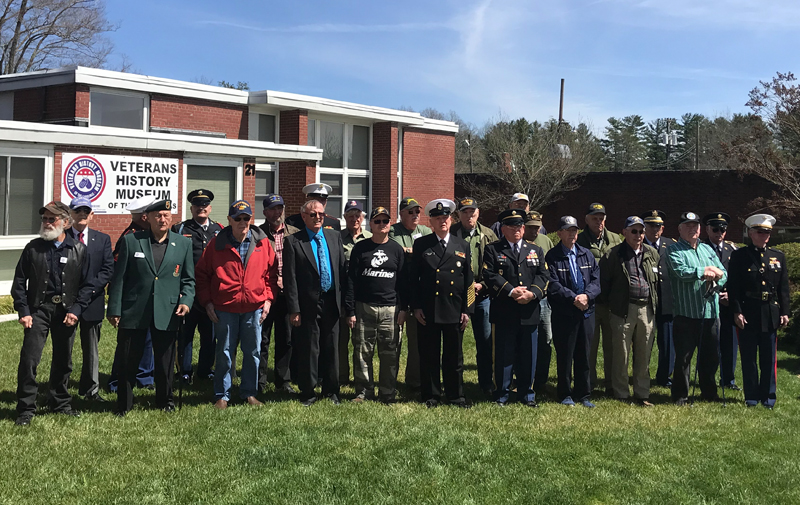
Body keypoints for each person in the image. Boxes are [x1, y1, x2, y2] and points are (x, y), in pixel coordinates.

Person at [107, 199, 195, 416]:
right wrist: (114, 309)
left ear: (171, 217)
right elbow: (119, 279)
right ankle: (124, 404)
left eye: (166, 214)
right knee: (129, 360)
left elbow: (188, 280)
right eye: (158, 215)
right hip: (134, 311)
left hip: (167, 311)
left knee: (165, 362)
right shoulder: (132, 241)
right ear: (149, 218)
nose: (162, 219)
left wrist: (186, 301)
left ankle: (165, 401)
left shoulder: (182, 244)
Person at [11, 201, 93, 426]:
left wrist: (76, 310)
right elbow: (19, 282)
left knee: (63, 360)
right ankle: (26, 408)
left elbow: (88, 285)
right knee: (29, 359)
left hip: (66, 311)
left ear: (66, 223)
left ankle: (60, 402)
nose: (47, 223)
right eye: (44, 219)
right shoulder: (33, 248)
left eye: (52, 219)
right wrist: (24, 311)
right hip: (38, 310)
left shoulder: (79, 249)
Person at [195, 200, 277, 409]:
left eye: (246, 218)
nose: (242, 222)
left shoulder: (262, 242)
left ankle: (249, 392)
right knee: (224, 351)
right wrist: (207, 302)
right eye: (238, 218)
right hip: (225, 307)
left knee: (253, 352)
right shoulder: (216, 244)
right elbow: (202, 275)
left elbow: (271, 274)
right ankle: (222, 394)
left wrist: (268, 299)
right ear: (229, 220)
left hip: (254, 307)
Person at [410, 199, 474, 408]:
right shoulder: (422, 245)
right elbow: (414, 279)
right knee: (429, 355)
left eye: (445, 217)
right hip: (429, 309)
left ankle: (456, 395)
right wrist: (416, 307)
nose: (442, 221)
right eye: (437, 218)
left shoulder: (461, 245)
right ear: (431, 222)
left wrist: (468, 310)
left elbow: (469, 281)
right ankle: (431, 395)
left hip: (454, 309)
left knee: (454, 357)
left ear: (450, 219)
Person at [283, 199, 346, 406]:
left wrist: (345, 303)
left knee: (331, 347)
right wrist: (294, 309)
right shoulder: (293, 242)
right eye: (313, 214)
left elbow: (341, 271)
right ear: (304, 217)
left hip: (331, 301)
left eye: (321, 214)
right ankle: (308, 392)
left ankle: (331, 390)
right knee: (309, 348)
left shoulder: (334, 237)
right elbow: (290, 279)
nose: (318, 217)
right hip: (307, 304)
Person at [483, 209, 548, 407]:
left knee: (529, 355)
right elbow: (490, 275)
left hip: (529, 311)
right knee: (504, 354)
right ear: (503, 229)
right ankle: (501, 394)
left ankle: (527, 394)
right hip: (505, 310)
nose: (518, 229)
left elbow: (544, 276)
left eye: (520, 226)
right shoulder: (493, 249)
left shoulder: (534, 250)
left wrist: (532, 294)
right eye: (512, 226)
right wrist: (511, 291)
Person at [345, 206, 406, 403]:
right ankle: (364, 392)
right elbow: (351, 281)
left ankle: (387, 392)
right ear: (370, 224)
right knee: (362, 352)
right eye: (377, 221)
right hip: (365, 307)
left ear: (390, 224)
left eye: (385, 221)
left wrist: (403, 309)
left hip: (391, 309)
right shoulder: (361, 248)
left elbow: (404, 282)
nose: (382, 224)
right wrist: (351, 310)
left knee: (390, 353)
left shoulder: (396, 249)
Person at [728, 214, 789, 409]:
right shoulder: (739, 256)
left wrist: (784, 312)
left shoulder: (778, 256)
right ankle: (751, 397)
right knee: (749, 358)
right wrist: (737, 312)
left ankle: (768, 397)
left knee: (768, 359)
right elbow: (734, 288)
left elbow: (783, 289)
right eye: (760, 232)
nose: (764, 236)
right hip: (748, 311)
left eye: (767, 233)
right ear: (751, 233)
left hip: (770, 312)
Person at [665, 212, 726, 405]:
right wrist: (704, 272)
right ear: (680, 229)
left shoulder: (707, 249)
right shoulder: (674, 250)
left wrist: (717, 274)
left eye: (696, 226)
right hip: (686, 314)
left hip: (710, 313)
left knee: (711, 357)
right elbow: (681, 272)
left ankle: (709, 393)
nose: (693, 229)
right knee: (684, 359)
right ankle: (680, 396)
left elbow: (723, 274)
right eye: (688, 226)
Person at [600, 217, 659, 406]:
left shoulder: (652, 253)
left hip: (646, 309)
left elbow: (656, 281)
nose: (638, 235)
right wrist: (613, 305)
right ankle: (622, 393)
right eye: (634, 231)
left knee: (644, 353)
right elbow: (604, 285)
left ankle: (642, 393)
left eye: (641, 231)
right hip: (622, 310)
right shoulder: (613, 255)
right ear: (624, 232)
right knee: (621, 354)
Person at [545, 216, 601, 408]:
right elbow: (552, 285)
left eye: (574, 230)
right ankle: (565, 393)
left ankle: (584, 394)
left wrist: (586, 296)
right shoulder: (552, 257)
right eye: (568, 230)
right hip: (565, 314)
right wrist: (573, 298)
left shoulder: (586, 254)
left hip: (586, 311)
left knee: (584, 354)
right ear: (559, 233)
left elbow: (596, 281)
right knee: (565, 354)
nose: (572, 234)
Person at [172, 189, 225, 384]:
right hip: (186, 290)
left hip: (211, 292)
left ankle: (205, 369)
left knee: (209, 334)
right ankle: (184, 371)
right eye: (197, 205)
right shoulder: (180, 228)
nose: (201, 208)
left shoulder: (219, 229)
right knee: (185, 334)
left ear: (210, 208)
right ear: (191, 208)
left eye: (204, 205)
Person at [449, 197, 498, 398]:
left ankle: (486, 384)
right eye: (465, 212)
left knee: (485, 341)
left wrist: (482, 284)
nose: (469, 215)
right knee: (454, 341)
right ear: (458, 215)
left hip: (482, 294)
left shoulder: (489, 235)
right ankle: (454, 383)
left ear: (478, 213)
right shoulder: (451, 233)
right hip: (457, 296)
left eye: (473, 212)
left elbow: (496, 265)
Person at [108, 196, 157, 393]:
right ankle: (117, 381)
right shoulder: (131, 237)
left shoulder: (151, 235)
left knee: (148, 340)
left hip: (150, 298)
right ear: (145, 217)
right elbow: (118, 273)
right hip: (133, 299)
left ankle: (144, 377)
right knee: (127, 345)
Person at [67, 197, 114, 403]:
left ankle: (91, 390)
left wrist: (88, 292)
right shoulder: (62, 237)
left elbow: (107, 270)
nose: (83, 215)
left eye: (86, 211)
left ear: (92, 215)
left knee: (91, 349)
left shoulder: (102, 239)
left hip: (92, 302)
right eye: (78, 211)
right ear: (70, 214)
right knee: (64, 348)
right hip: (66, 304)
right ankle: (60, 389)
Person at [577, 202, 622, 394]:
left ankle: (611, 383)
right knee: (589, 345)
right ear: (586, 220)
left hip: (612, 302)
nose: (598, 222)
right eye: (594, 218)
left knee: (612, 346)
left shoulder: (615, 239)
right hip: (590, 302)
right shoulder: (579, 240)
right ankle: (589, 383)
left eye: (601, 218)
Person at [257, 194, 299, 394]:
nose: (277, 212)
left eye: (280, 208)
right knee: (262, 339)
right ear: (265, 212)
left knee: (286, 339)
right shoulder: (257, 234)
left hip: (287, 294)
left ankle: (283, 381)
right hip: (265, 293)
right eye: (273, 209)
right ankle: (260, 381)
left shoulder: (295, 234)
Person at [389, 197, 432, 391]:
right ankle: (390, 381)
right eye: (410, 212)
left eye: (417, 212)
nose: (415, 215)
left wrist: (410, 251)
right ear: (401, 214)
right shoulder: (393, 230)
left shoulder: (426, 231)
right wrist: (414, 251)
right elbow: (395, 250)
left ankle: (414, 381)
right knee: (393, 340)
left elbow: (428, 252)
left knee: (416, 341)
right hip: (397, 291)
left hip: (417, 292)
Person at [701, 212, 739, 391]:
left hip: (728, 304)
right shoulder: (701, 248)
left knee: (729, 343)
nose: (719, 233)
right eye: (715, 229)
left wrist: (730, 295)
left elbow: (738, 277)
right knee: (708, 344)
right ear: (707, 229)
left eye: (722, 229)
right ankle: (707, 379)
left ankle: (728, 380)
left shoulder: (732, 250)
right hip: (708, 303)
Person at [641, 210, 677, 387]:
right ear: (644, 227)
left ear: (662, 229)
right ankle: (641, 375)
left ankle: (665, 376)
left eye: (658, 226)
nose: (654, 229)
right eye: (650, 225)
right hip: (646, 301)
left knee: (667, 343)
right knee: (644, 341)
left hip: (666, 301)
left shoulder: (670, 246)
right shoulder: (638, 245)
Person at [339, 200, 372, 386]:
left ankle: (361, 378)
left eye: (357, 215)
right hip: (343, 293)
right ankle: (342, 377)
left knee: (361, 341)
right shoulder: (337, 238)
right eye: (350, 215)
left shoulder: (369, 238)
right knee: (341, 340)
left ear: (363, 218)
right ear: (344, 218)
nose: (354, 219)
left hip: (363, 294)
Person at [524, 211, 555, 391]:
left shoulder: (545, 241)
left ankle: (541, 380)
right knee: (524, 340)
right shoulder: (519, 241)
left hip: (543, 299)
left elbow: (548, 271)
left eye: (537, 227)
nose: (534, 231)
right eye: (531, 227)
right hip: (523, 298)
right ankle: (520, 378)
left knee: (545, 339)